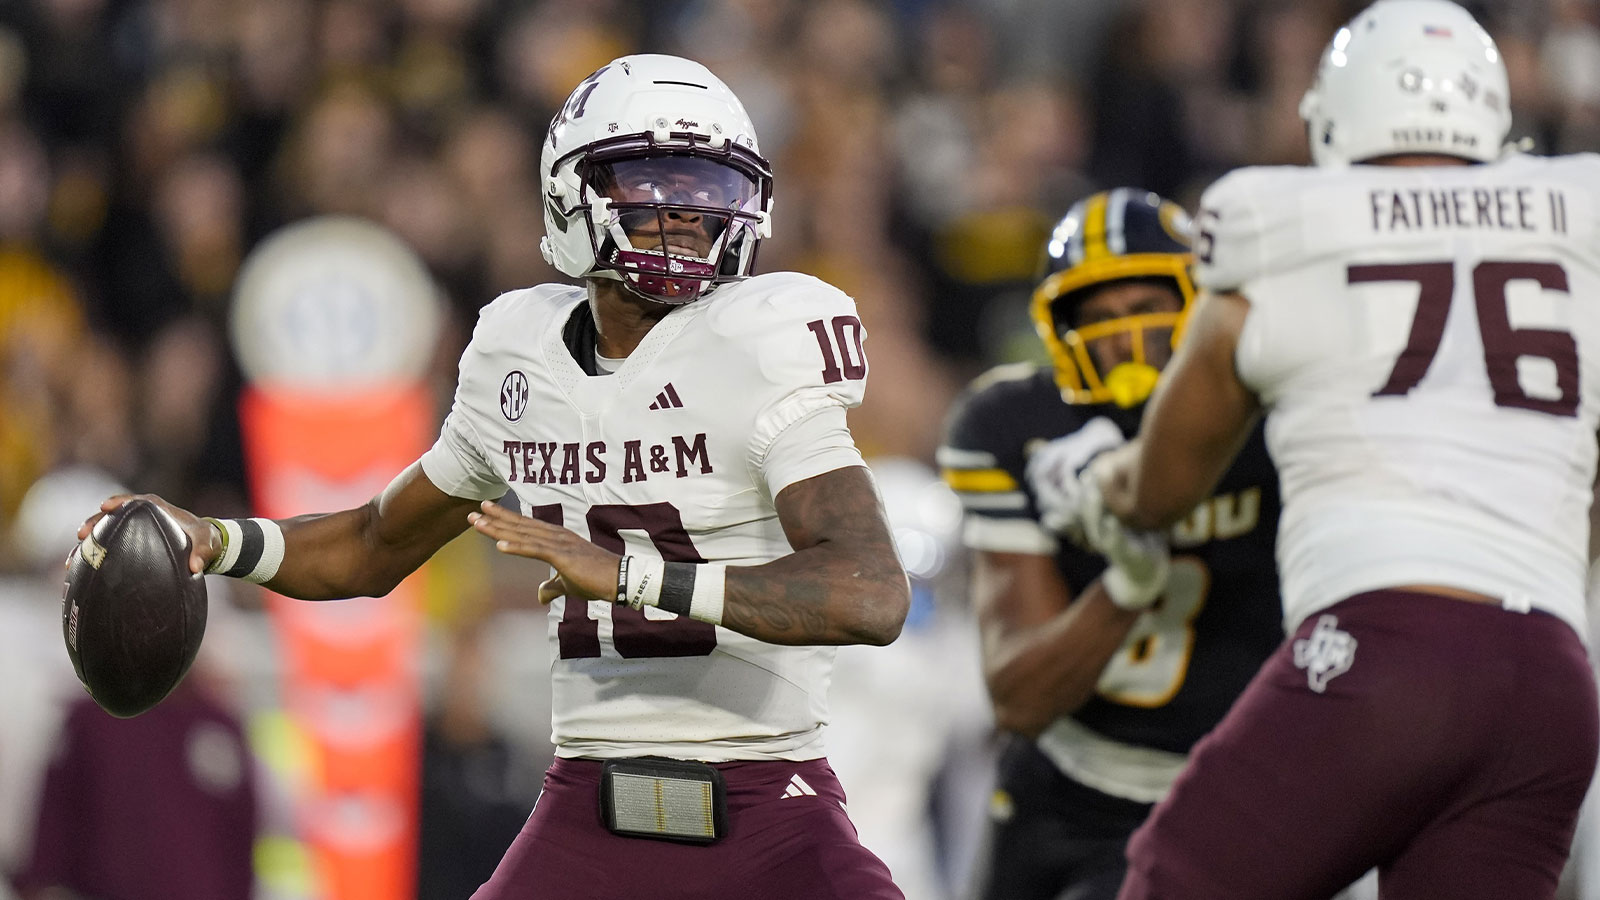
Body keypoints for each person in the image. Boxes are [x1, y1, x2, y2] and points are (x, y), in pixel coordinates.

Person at [80, 54, 910, 900]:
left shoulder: (759, 343)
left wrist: (630, 576)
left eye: (709, 187)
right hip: (588, 814)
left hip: (770, 810)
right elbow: (373, 543)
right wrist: (212, 540)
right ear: (570, 195)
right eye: (652, 182)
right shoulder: (521, 356)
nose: (687, 213)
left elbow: (869, 591)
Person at [1053, 3, 1600, 898]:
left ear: (1336, 115)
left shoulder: (1279, 222)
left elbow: (1164, 485)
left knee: (1171, 876)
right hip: (1548, 675)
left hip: (1386, 649)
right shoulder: (1579, 219)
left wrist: (1098, 480)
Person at [938, 188, 1284, 900]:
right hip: (1069, 781)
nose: (1127, 340)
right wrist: (1125, 585)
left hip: (1242, 789)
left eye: (1147, 312)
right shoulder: (1015, 424)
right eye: (1098, 318)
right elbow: (1020, 698)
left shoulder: (1274, 415)